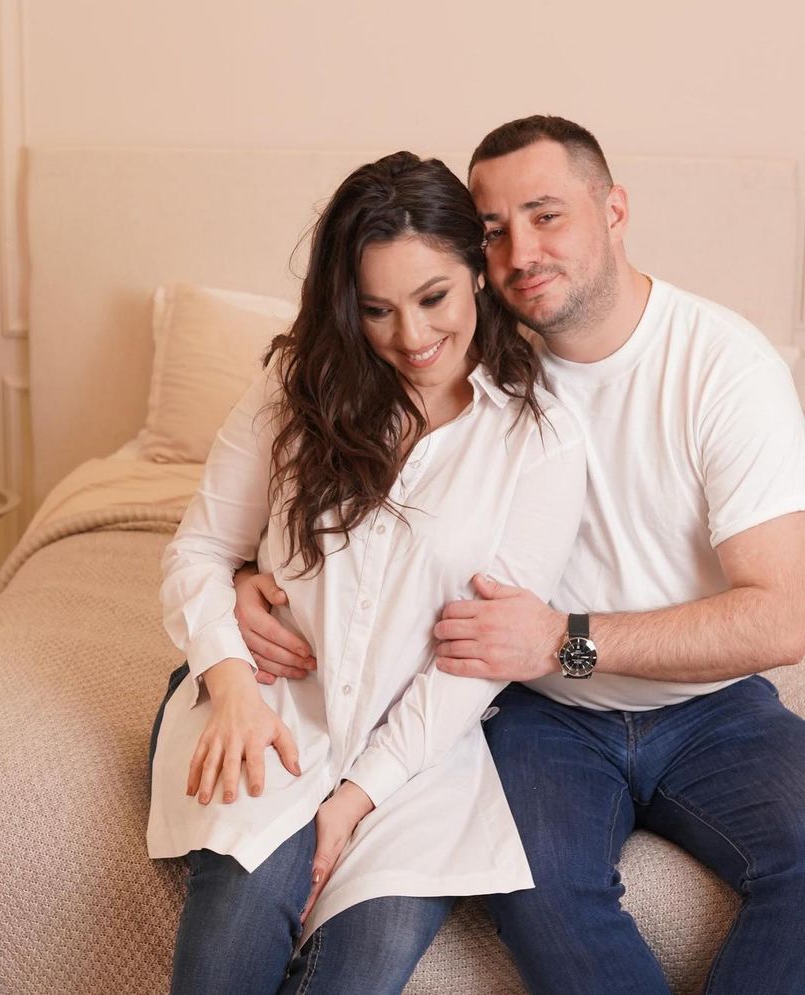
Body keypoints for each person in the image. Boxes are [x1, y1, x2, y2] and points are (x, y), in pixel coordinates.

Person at [235, 117, 805, 995]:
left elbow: (785, 614)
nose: (520, 253)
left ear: (614, 209)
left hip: (708, 703)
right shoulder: (455, 342)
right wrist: (243, 576)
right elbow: (321, 467)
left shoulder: (721, 366)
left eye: (546, 216)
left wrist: (562, 639)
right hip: (538, 711)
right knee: (541, 892)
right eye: (494, 230)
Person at [147, 151, 587, 994]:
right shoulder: (295, 387)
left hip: (416, 758)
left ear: (478, 271)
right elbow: (198, 549)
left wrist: (354, 797)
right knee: (223, 959)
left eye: (433, 298)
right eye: (377, 310)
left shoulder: (540, 439)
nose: (411, 338)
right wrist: (231, 687)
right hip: (268, 712)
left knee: (360, 973)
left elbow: (475, 660)